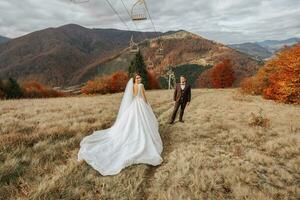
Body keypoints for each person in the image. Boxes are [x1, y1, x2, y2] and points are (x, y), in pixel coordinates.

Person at [78, 73, 163, 176]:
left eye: (139, 77)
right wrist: (147, 105)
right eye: (138, 78)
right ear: (136, 79)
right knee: (142, 122)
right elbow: (144, 98)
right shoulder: (141, 86)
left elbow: (131, 97)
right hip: (140, 104)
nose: (139, 79)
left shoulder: (132, 86)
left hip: (134, 105)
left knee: (131, 122)